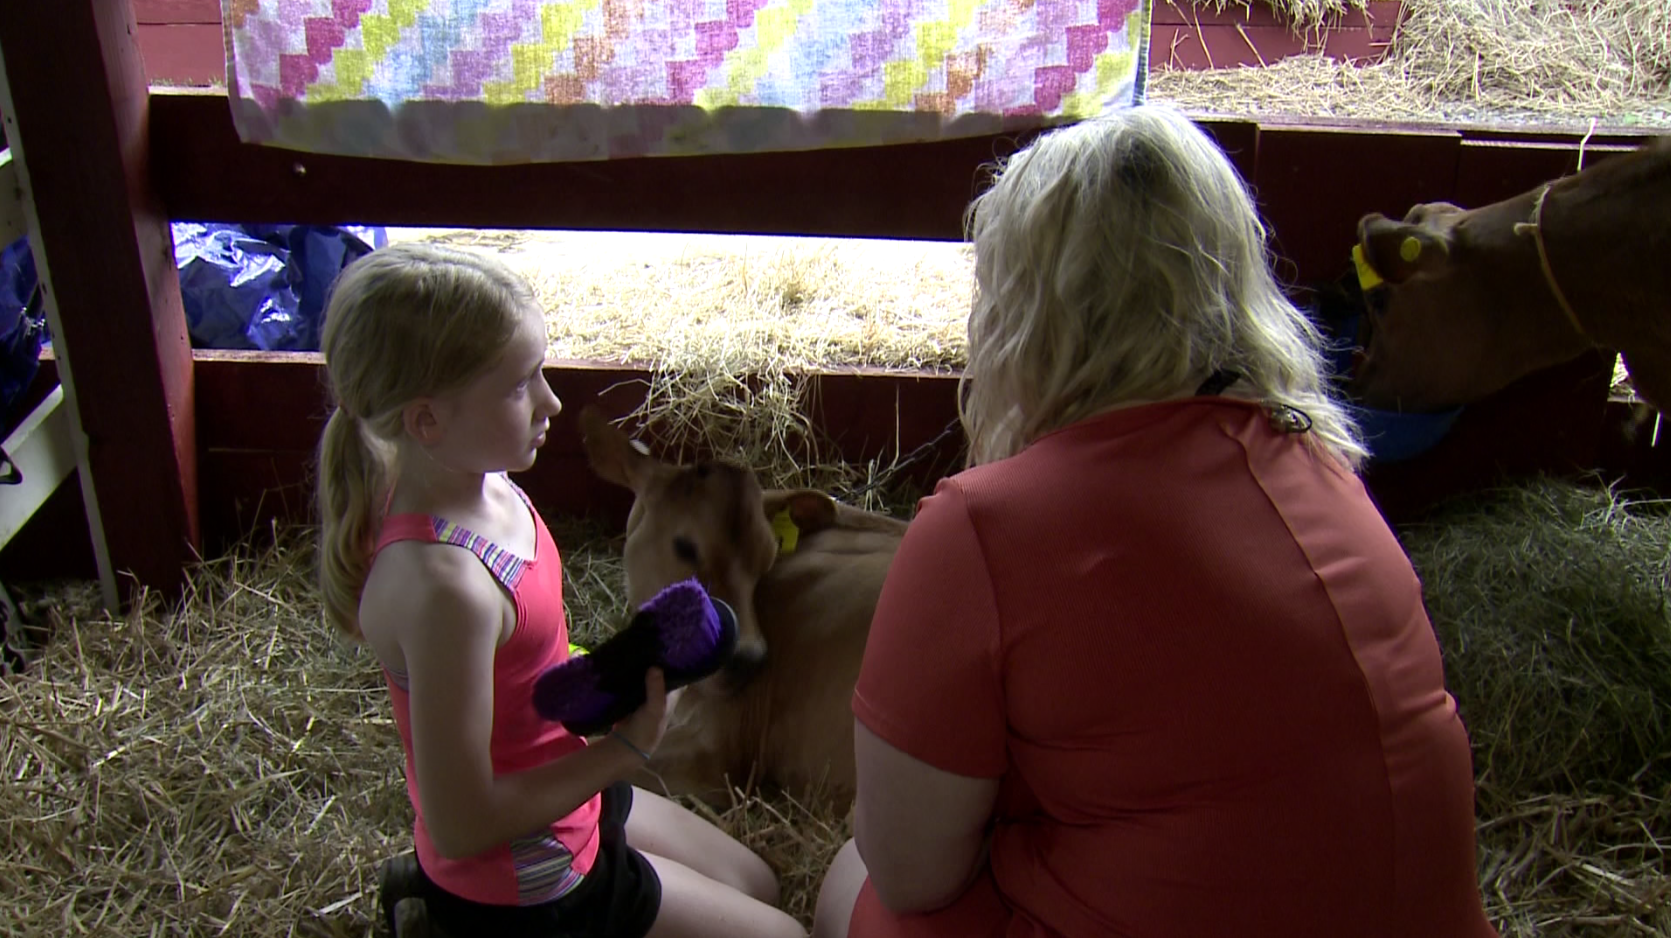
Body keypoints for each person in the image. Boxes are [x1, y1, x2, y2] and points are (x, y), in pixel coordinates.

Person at [811, 104, 1500, 938]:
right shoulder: (1321, 462)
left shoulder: (979, 525)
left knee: (862, 887)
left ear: (1019, 310)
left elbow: (911, 869)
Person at [314, 241, 806, 938]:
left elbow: (521, 670)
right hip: (529, 878)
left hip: (563, 778)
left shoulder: (486, 484)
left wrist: (608, 678)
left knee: (759, 882)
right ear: (427, 420)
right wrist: (625, 751)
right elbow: (459, 825)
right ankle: (441, 919)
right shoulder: (444, 588)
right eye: (519, 385)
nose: (551, 400)